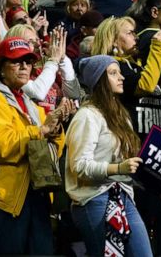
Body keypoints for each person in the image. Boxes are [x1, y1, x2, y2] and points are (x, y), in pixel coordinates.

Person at [0, 36, 71, 255]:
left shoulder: (29, 101)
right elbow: (2, 146)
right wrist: (41, 131)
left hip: (36, 192)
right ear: (1, 68)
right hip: (6, 197)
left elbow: (51, 150)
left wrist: (56, 129)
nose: (24, 66)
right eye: (16, 61)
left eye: (28, 61)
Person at [66, 55, 152, 257]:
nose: (121, 77)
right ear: (99, 80)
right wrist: (118, 168)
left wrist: (160, 187)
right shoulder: (87, 116)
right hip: (94, 198)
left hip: (123, 194)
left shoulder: (120, 115)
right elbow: (78, 166)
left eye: (119, 72)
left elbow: (131, 164)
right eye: (113, 73)